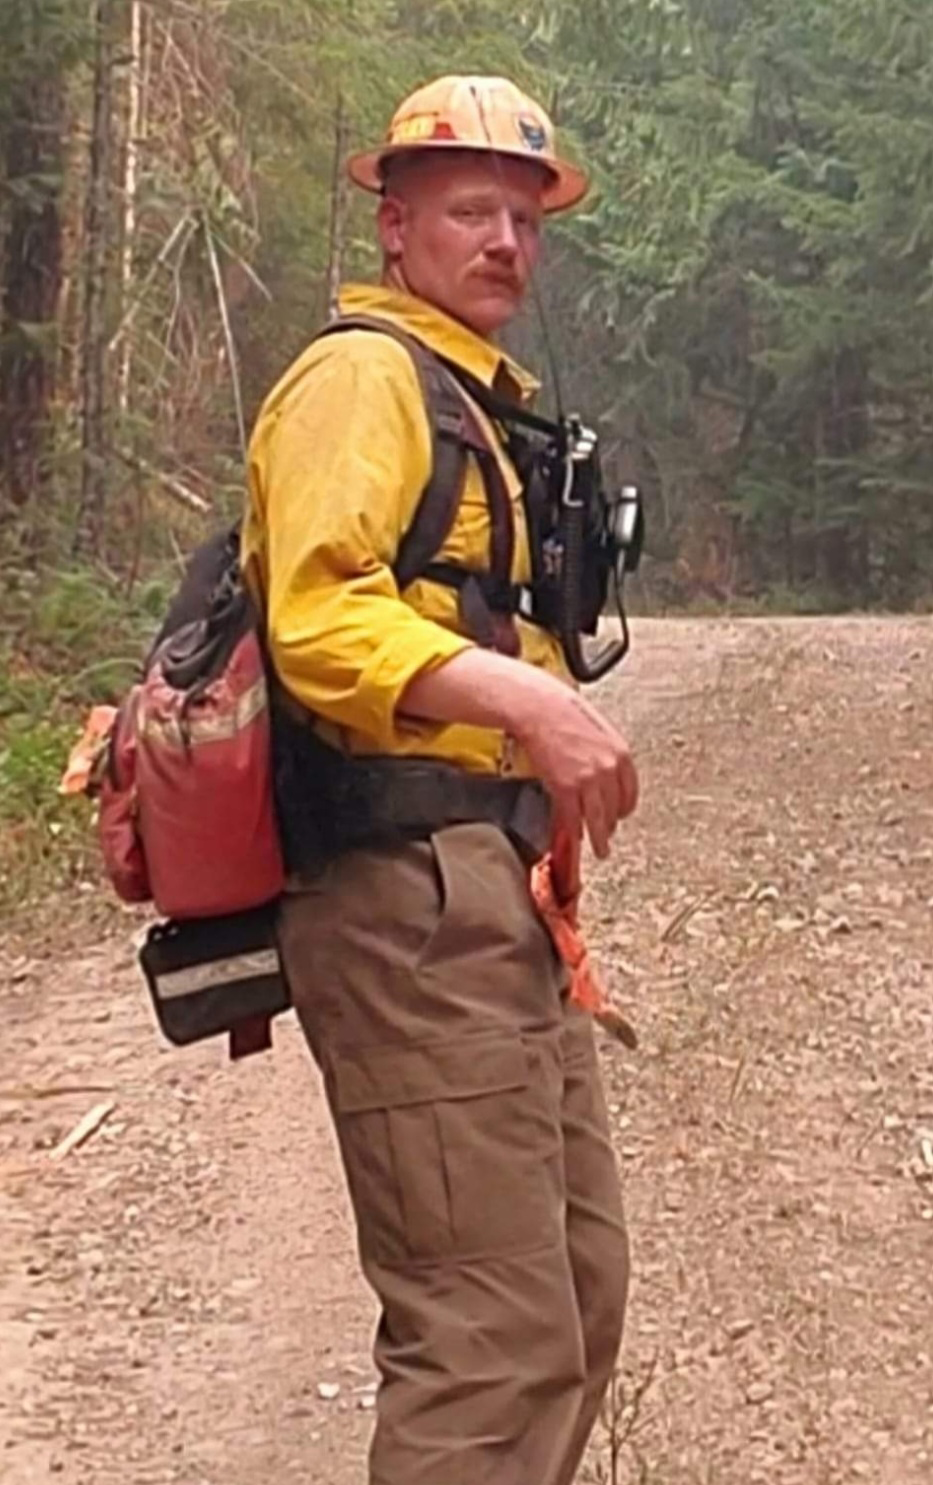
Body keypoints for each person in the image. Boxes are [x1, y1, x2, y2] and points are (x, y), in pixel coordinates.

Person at [242, 74, 639, 1485]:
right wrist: (529, 700)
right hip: (406, 899)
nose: (507, 245)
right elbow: (318, 614)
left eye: (528, 221)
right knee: (488, 1338)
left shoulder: (474, 401)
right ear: (395, 227)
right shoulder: (362, 380)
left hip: (496, 896)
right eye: (473, 212)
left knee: (577, 1301)